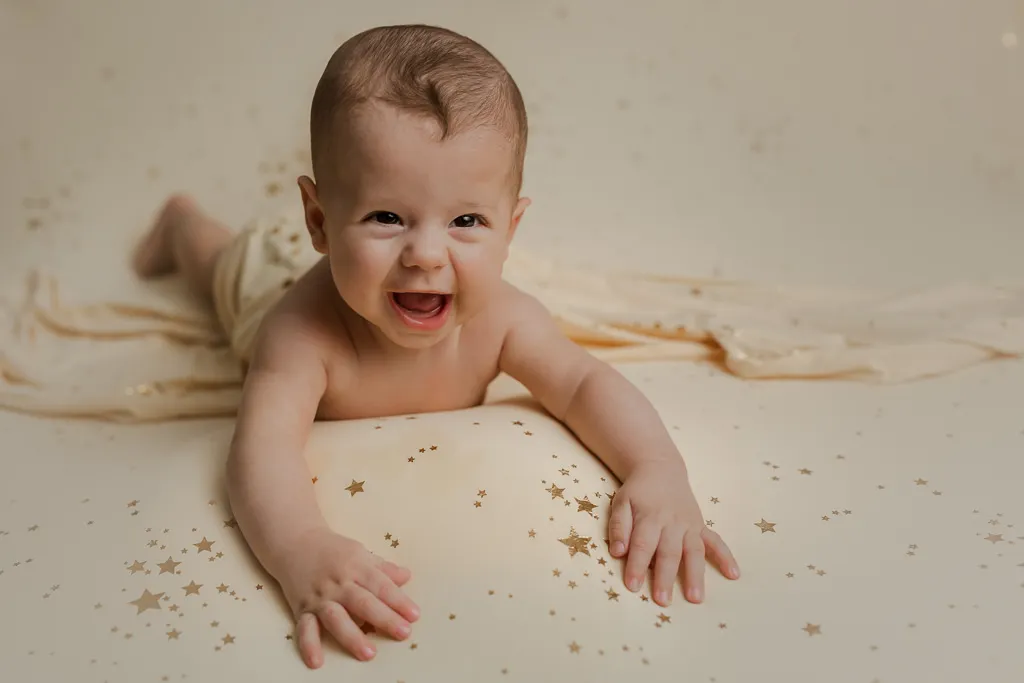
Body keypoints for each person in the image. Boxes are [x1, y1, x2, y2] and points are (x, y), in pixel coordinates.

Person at [132, 23, 739, 669]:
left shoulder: (502, 317)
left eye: (466, 221)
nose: (425, 254)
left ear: (511, 227)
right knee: (224, 263)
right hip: (262, 284)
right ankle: (181, 224)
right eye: (386, 217)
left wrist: (657, 469)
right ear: (319, 221)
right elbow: (262, 448)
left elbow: (584, 382)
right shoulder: (300, 338)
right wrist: (301, 547)